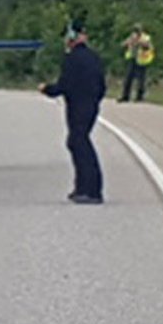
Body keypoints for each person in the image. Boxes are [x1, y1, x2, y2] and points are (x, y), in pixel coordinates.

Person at [39, 20, 107, 204]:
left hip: (78, 106)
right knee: (77, 141)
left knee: (79, 143)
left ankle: (91, 190)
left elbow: (64, 85)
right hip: (91, 105)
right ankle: (83, 187)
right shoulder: (94, 57)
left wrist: (47, 89)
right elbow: (102, 86)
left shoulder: (72, 59)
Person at [120, 24, 155, 101]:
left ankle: (139, 97)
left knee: (141, 80)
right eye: (135, 31)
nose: (136, 32)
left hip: (142, 60)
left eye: (137, 31)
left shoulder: (145, 38)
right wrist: (128, 43)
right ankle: (125, 96)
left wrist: (139, 42)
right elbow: (123, 44)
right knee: (128, 78)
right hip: (133, 59)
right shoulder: (132, 37)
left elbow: (149, 46)